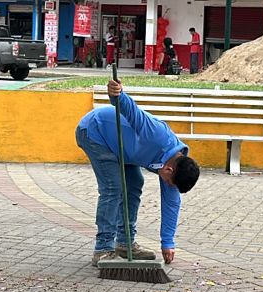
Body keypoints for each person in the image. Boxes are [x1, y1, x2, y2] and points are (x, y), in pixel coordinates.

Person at [75, 76, 200, 266]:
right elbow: (132, 111)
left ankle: (125, 243)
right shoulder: (157, 134)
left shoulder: (176, 166)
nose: (168, 185)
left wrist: (167, 243)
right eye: (169, 182)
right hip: (95, 131)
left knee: (134, 185)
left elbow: (171, 204)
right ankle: (103, 248)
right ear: (168, 169)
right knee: (113, 187)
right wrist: (117, 94)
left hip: (124, 148)